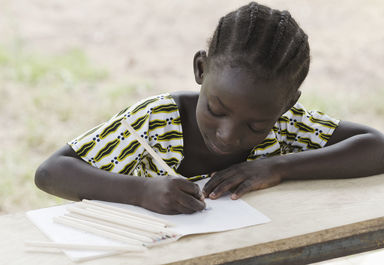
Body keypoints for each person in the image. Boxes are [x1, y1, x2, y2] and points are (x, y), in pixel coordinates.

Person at [35, 2, 384, 215]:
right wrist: (140, 192)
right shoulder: (154, 122)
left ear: (287, 105)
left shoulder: (284, 123)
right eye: (217, 110)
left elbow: (376, 146)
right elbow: (51, 172)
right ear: (201, 69)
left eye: (255, 125)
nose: (229, 135)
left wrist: (278, 167)